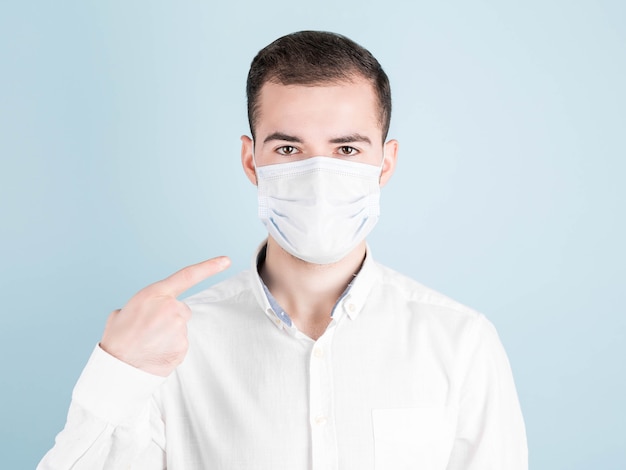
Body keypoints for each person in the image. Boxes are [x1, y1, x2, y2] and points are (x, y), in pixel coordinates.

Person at [38, 31, 527, 469]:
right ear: (252, 161)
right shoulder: (172, 348)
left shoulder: (460, 342)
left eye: (347, 150)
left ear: (386, 161)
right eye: (289, 150)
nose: (319, 176)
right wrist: (119, 370)